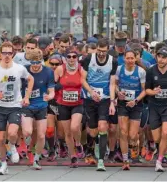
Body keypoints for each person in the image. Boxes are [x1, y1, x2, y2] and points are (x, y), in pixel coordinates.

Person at [0, 42, 34, 175]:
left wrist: (27, 97)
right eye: (4, 53)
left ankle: (12, 146)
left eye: (9, 53)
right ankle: (3, 163)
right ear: (0, 53)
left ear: (13, 54)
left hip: (15, 106)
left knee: (12, 133)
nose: (7, 56)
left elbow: (31, 79)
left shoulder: (19, 68)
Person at [80, 39, 118, 171]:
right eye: (99, 51)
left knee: (103, 126)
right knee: (93, 130)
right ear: (96, 49)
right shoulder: (89, 59)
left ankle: (101, 161)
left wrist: (112, 102)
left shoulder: (112, 61)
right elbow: (82, 79)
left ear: (108, 49)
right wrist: (91, 92)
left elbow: (112, 83)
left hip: (105, 98)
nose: (101, 54)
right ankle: (97, 142)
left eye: (104, 51)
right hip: (90, 98)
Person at [145, 47, 167, 172]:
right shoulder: (150, 71)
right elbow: (146, 90)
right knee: (157, 138)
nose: (161, 59)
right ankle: (165, 147)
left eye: (164, 57)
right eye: (159, 57)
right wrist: (154, 92)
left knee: (166, 132)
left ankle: (159, 161)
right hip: (154, 106)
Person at [20, 49, 55, 170]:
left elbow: (52, 91)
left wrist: (49, 96)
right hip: (27, 105)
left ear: (42, 61)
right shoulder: (24, 70)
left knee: (41, 135)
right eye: (32, 63)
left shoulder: (48, 72)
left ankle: (36, 158)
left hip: (41, 105)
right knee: (27, 132)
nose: (35, 66)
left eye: (37, 63)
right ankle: (28, 148)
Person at [54, 46, 88, 168]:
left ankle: (78, 143)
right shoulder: (59, 69)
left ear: (77, 58)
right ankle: (73, 156)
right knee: (67, 133)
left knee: (75, 127)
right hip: (63, 104)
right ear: (65, 58)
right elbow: (53, 85)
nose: (72, 59)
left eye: (74, 56)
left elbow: (85, 84)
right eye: (69, 56)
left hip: (77, 103)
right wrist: (55, 90)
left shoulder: (81, 70)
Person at [114, 49, 146, 170]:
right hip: (123, 103)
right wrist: (118, 92)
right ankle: (125, 160)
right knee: (123, 132)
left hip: (136, 104)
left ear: (135, 59)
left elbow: (144, 90)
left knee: (132, 135)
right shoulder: (119, 69)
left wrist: (136, 100)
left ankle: (134, 147)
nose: (130, 60)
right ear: (124, 59)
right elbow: (115, 84)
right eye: (128, 58)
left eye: (132, 58)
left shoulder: (141, 71)